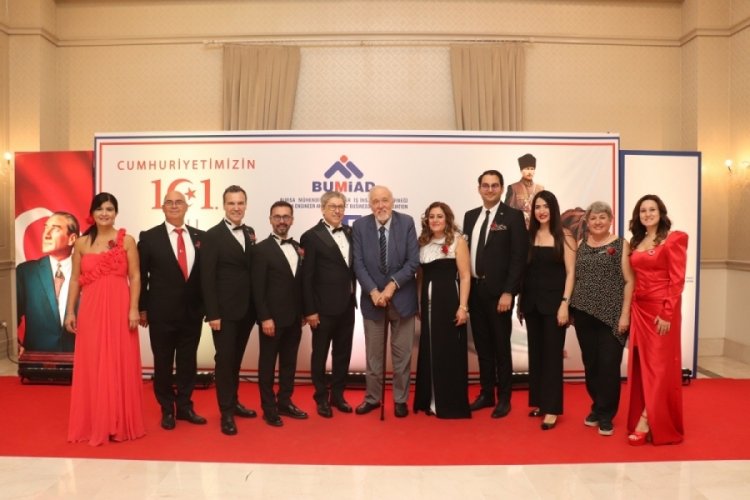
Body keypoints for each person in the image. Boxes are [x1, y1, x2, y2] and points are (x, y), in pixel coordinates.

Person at [64, 193, 145, 446]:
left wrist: (134, 308)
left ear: (116, 213)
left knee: (119, 361)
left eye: (109, 209)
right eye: (99, 209)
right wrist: (70, 311)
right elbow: (75, 279)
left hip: (120, 309)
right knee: (94, 363)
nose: (104, 213)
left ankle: (118, 422)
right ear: (92, 213)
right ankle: (95, 421)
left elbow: (136, 276)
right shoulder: (81, 243)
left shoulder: (127, 240)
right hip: (91, 311)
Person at [138, 190, 207, 430]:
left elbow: (205, 276)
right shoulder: (149, 237)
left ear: (186, 207)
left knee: (188, 363)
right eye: (170, 202)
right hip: (161, 314)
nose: (175, 206)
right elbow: (141, 277)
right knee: (163, 364)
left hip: (192, 313)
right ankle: (167, 409)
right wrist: (142, 308)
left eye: (179, 202)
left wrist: (206, 307)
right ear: (163, 207)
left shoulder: (200, 237)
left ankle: (185, 407)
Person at [463, 170, 528, 418]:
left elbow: (518, 257)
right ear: (478, 188)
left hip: (500, 294)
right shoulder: (470, 216)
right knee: (483, 347)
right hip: (475, 292)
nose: (489, 189)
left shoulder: (512, 216)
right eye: (485, 185)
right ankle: (486, 393)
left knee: (501, 347)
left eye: (494, 185)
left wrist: (509, 291)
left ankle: (504, 398)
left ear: (501, 188)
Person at [352, 185, 419, 418]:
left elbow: (413, 262)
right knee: (373, 357)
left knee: (402, 357)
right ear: (370, 205)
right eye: (375, 201)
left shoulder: (406, 222)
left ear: (392, 201)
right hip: (373, 302)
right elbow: (358, 263)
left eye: (385, 200)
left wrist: (391, 286)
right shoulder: (359, 226)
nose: (380, 205)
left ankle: (400, 400)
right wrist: (373, 291)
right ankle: (372, 398)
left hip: (402, 300)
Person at [626, 194, 688, 446]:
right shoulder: (637, 241)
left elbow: (677, 280)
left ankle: (646, 420)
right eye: (643, 210)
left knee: (660, 367)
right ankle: (648, 412)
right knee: (644, 366)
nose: (647, 214)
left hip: (661, 310)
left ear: (661, 213)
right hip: (640, 309)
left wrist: (667, 313)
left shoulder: (674, 239)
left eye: (652, 209)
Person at [569, 201, 634, 436]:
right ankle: (597, 407)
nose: (598, 222)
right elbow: (574, 277)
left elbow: (629, 281)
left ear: (610, 220)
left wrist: (625, 314)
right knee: (591, 364)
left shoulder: (621, 244)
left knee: (608, 365)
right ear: (587, 221)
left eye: (602, 217)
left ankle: (606, 415)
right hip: (583, 313)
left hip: (612, 315)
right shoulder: (580, 245)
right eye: (593, 218)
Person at [200, 185, 257, 436]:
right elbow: (207, 278)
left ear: (245, 205)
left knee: (235, 360)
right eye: (232, 203)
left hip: (247, 310)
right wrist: (212, 313)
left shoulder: (250, 232)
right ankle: (225, 412)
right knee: (224, 361)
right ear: (224, 205)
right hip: (223, 313)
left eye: (240, 203)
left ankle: (234, 402)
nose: (236, 207)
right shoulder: (212, 235)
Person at [518, 190, 576, 430]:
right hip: (531, 304)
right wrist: (521, 304)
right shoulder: (529, 235)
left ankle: (552, 409)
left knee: (552, 357)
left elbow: (571, 273)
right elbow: (525, 272)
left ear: (554, 209)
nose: (541, 211)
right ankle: (541, 403)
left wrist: (564, 304)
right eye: (537, 207)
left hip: (555, 306)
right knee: (537, 355)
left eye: (546, 206)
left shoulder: (565, 235)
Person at [300, 191, 357, 418]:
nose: (337, 210)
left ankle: (338, 396)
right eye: (332, 206)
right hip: (322, 309)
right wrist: (310, 310)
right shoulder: (311, 236)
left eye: (341, 206)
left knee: (343, 354)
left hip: (347, 306)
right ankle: (321, 397)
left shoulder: (351, 233)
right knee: (320, 355)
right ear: (323, 208)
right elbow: (306, 278)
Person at [252, 201, 308, 427]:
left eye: (286, 216)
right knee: (267, 366)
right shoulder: (261, 249)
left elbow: (300, 284)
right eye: (277, 217)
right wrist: (264, 317)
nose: (282, 221)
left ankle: (284, 402)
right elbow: (257, 288)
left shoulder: (298, 247)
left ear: (292, 220)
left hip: (295, 319)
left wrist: (303, 313)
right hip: (271, 320)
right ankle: (268, 408)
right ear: (270, 220)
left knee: (289, 364)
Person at [413, 201, 471, 419]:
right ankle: (429, 399)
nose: (435, 220)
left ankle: (448, 402)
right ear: (427, 220)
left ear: (447, 219)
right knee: (430, 350)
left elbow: (465, 276)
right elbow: (420, 278)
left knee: (448, 352)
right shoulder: (422, 243)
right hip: (428, 307)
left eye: (439, 216)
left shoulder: (458, 241)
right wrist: (419, 303)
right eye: (431, 216)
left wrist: (463, 307)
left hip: (449, 303)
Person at [16, 212, 79, 353]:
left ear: (72, 238)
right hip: (35, 360)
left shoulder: (87, 272)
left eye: (55, 229)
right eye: (45, 228)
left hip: (80, 359)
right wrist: (13, 344)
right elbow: (10, 316)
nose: (46, 234)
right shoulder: (26, 272)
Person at [504, 153, 544, 228]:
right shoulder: (513, 188)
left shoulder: (540, 189)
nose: (530, 172)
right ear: (521, 170)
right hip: (518, 227)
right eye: (527, 168)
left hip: (536, 228)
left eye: (532, 169)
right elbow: (506, 211)